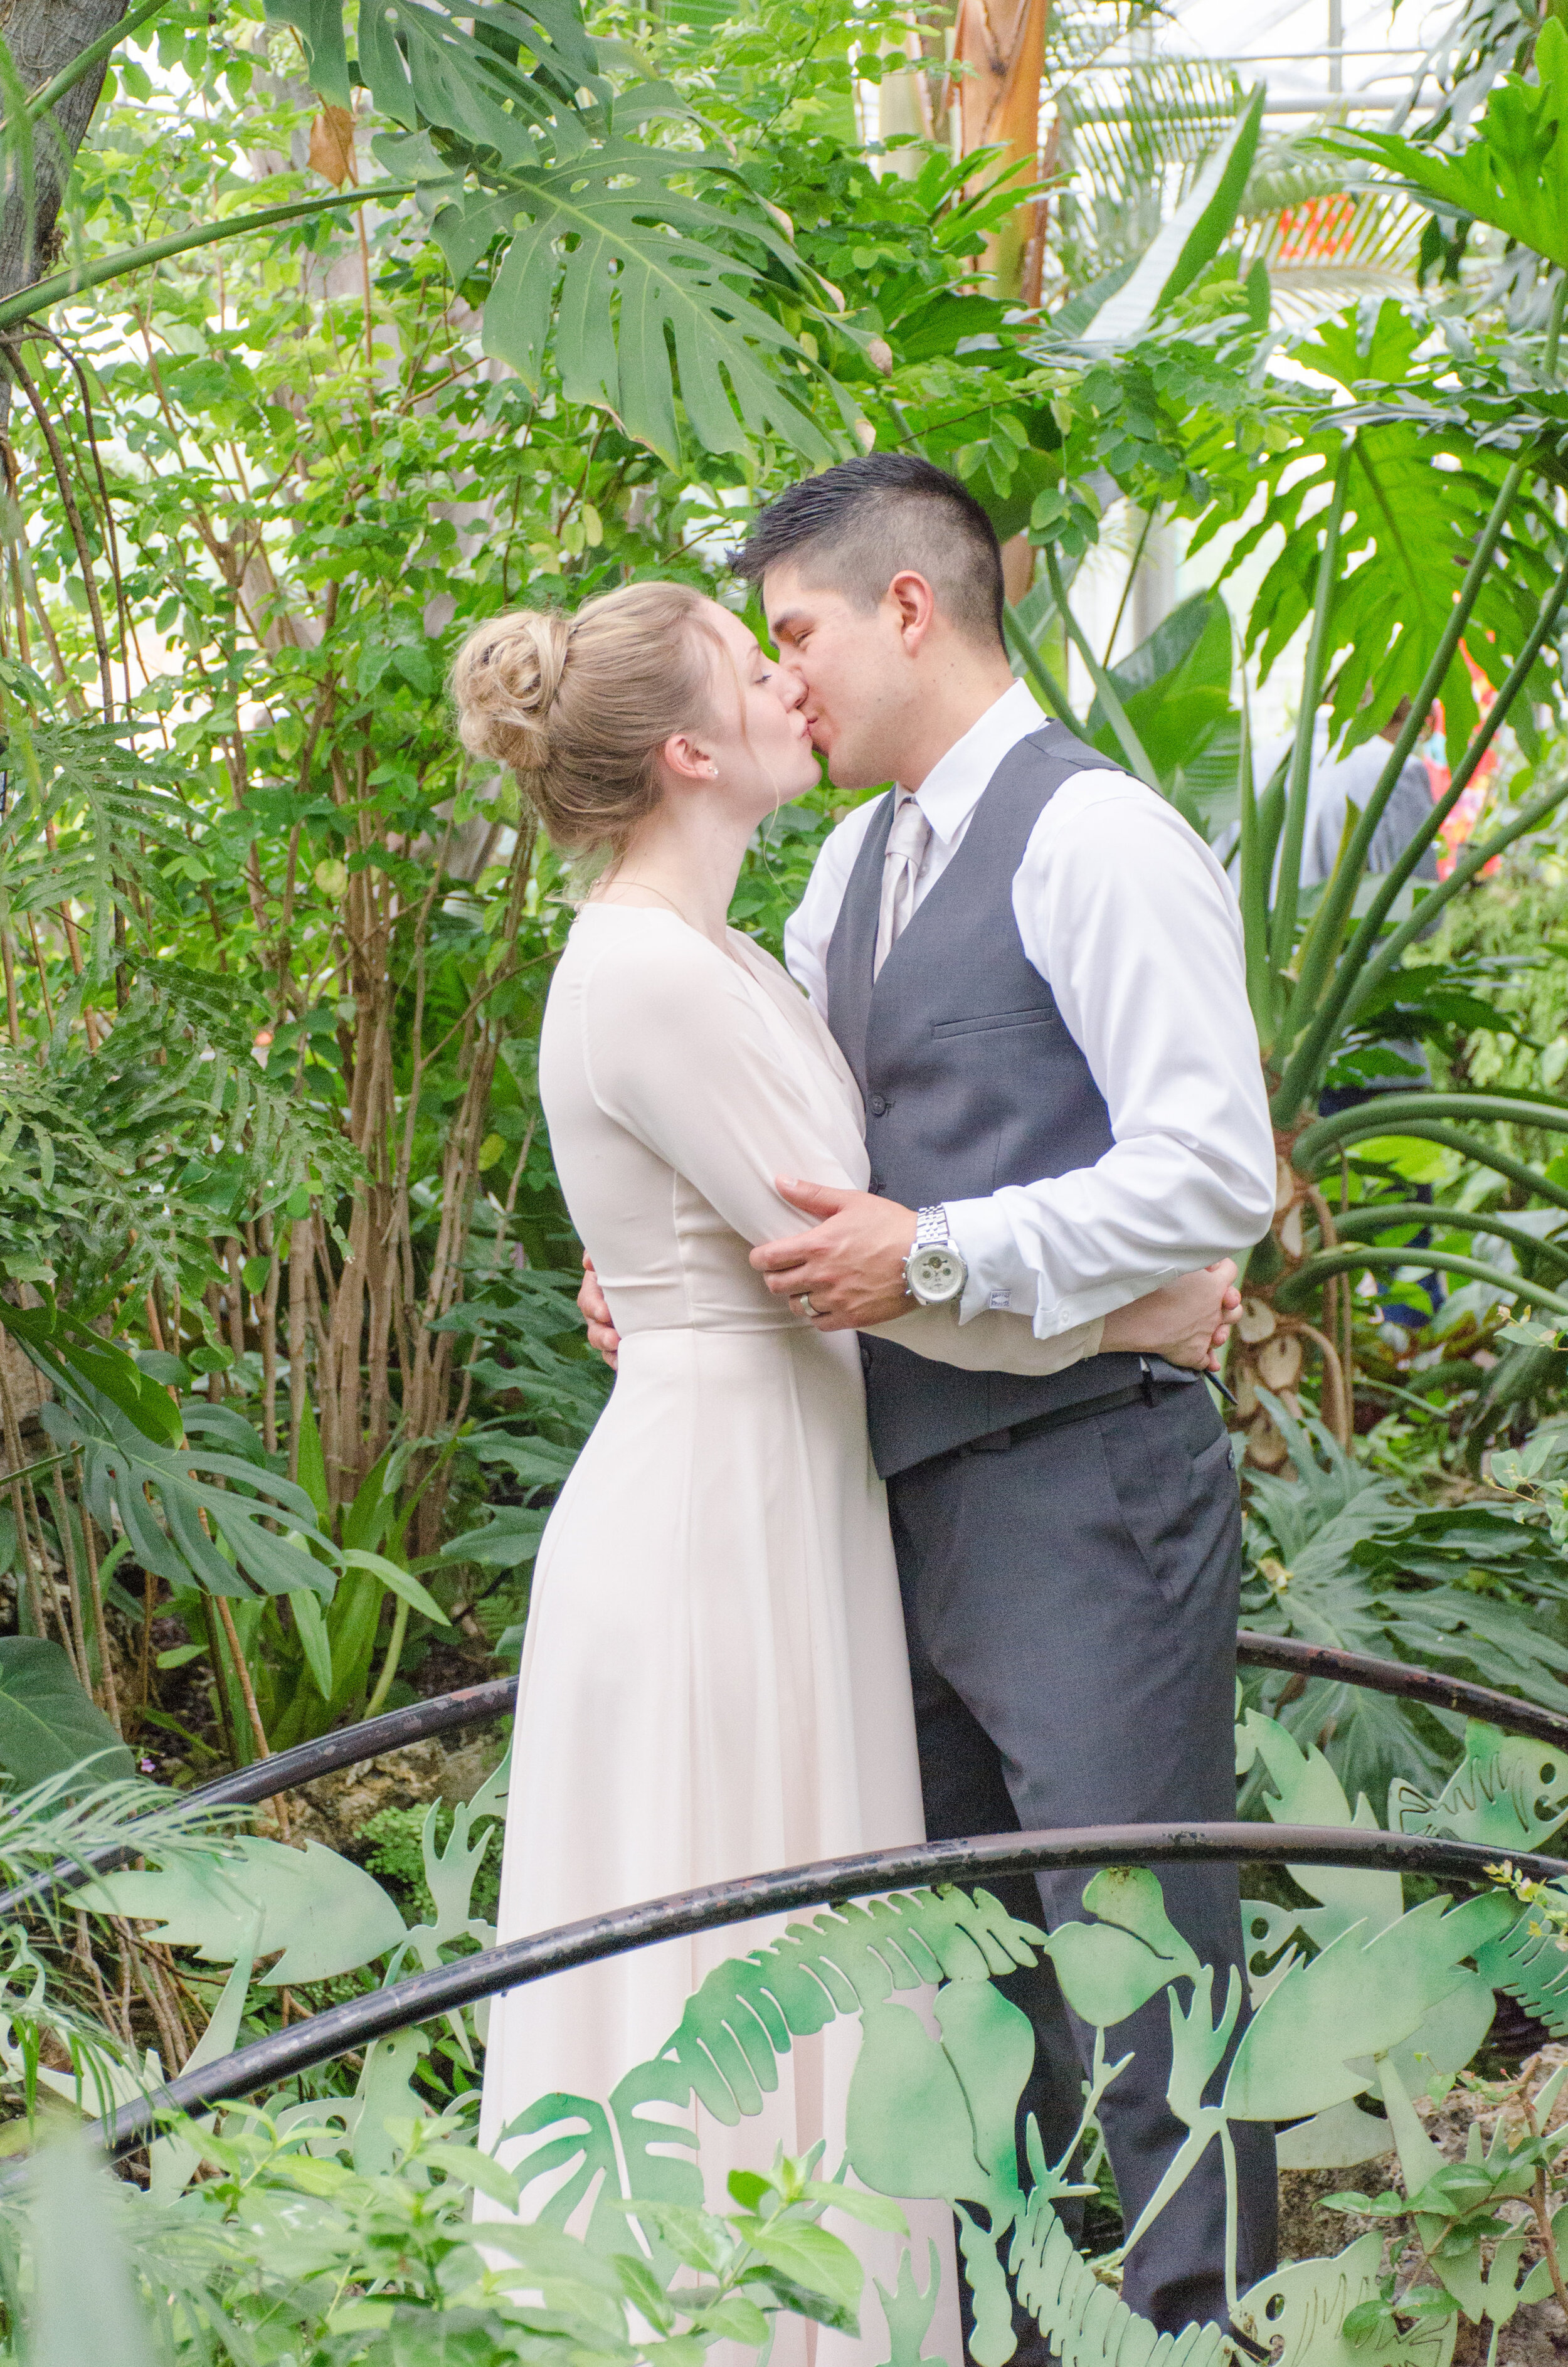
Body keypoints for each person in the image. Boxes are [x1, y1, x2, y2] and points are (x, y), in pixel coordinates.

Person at [452, 576, 1246, 2365]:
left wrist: (677, 1265)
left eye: (786, 635)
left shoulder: (759, 934)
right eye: (754, 664)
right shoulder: (666, 960)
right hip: (727, 1507)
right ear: (687, 747)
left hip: (832, 1487)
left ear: (903, 603)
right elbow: (839, 1260)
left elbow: (835, 1233)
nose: (782, 681)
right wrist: (1139, 1316)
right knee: (754, 1948)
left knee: (1061, 1958)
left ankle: (1187, 2332)